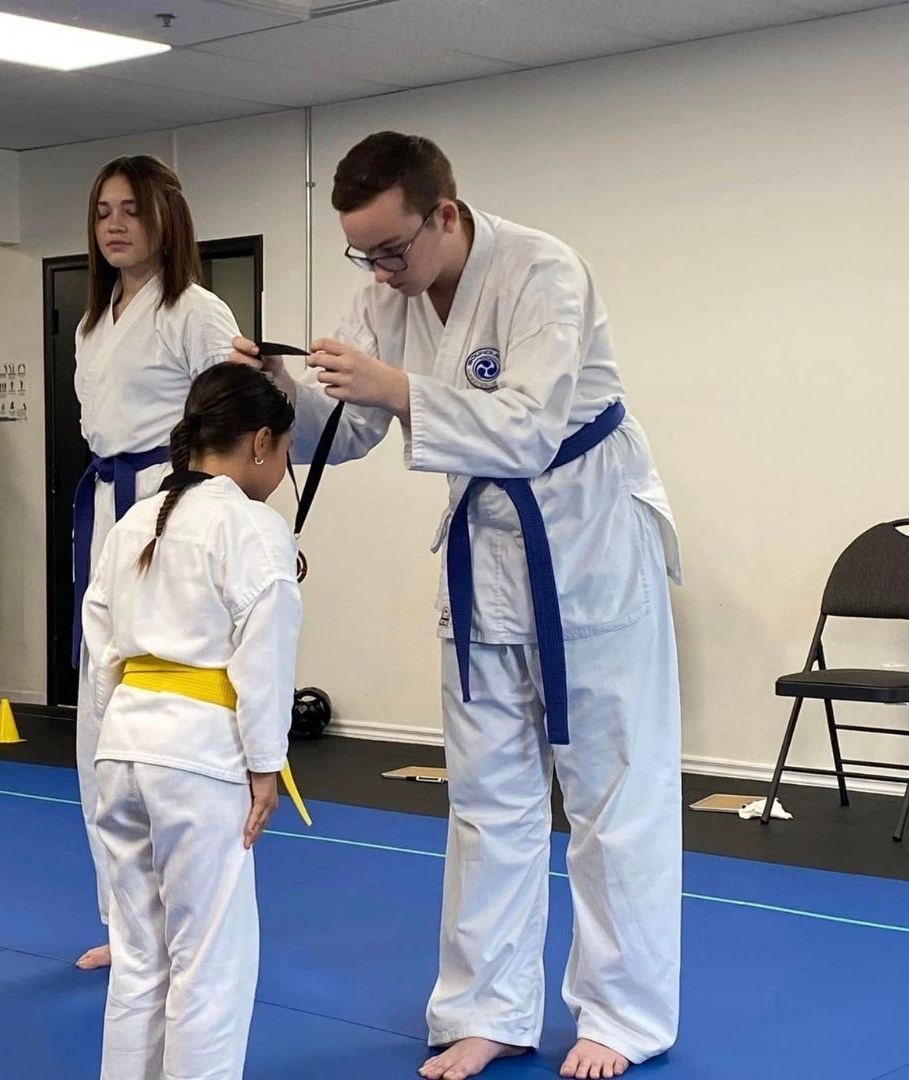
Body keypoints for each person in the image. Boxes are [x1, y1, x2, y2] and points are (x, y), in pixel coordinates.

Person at [232, 131, 682, 1080]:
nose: (380, 270)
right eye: (363, 252)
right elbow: (349, 430)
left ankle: (623, 1014)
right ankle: (488, 1007)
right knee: (486, 796)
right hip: (485, 556)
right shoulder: (385, 291)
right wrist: (281, 386)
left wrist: (396, 385)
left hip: (591, 542)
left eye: (392, 248)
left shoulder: (544, 273)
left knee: (613, 793)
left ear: (443, 213)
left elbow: (524, 425)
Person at [82, 362, 300, 1079]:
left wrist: (117, 736)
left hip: (124, 745)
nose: (284, 467)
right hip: (199, 755)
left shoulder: (134, 519)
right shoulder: (254, 526)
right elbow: (263, 661)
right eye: (286, 451)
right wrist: (265, 766)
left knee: (141, 958)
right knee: (209, 963)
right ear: (261, 441)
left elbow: (101, 650)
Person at [73, 155, 241, 971]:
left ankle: (187, 916)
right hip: (110, 512)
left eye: (131, 210)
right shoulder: (92, 321)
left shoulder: (197, 311)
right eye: (104, 210)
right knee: (100, 716)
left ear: (164, 218)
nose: (114, 224)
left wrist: (233, 537)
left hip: (172, 506)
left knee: (165, 717)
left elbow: (242, 422)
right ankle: (124, 921)